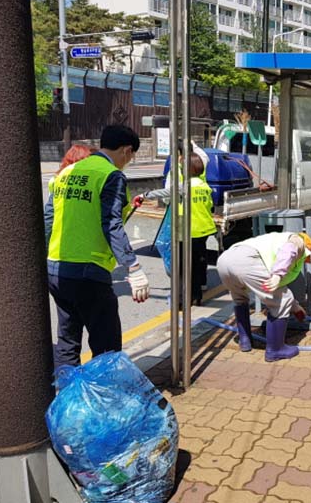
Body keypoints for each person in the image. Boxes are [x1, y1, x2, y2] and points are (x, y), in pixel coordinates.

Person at [45, 125, 150, 367]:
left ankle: (69, 399)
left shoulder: (67, 172)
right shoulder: (111, 175)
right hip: (89, 272)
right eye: (131, 155)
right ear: (126, 150)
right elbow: (111, 224)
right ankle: (102, 400)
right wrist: (133, 268)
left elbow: (49, 219)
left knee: (68, 341)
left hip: (57, 269)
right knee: (106, 345)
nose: (129, 160)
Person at [216, 231, 311, 362]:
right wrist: (278, 274)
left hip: (224, 261)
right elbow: (290, 249)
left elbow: (278, 289)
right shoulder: (298, 240)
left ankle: (245, 341)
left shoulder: (272, 239)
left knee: (240, 299)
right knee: (283, 300)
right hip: (245, 261)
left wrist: (295, 307)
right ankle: (276, 350)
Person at [134, 152, 216, 306]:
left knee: (181, 267)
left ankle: (181, 299)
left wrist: (144, 195)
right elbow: (209, 206)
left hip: (184, 228)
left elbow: (164, 193)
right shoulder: (205, 186)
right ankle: (196, 296)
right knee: (198, 264)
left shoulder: (184, 187)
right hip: (203, 229)